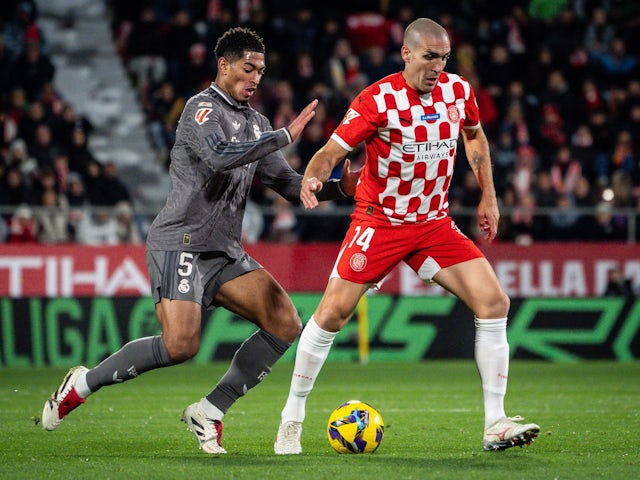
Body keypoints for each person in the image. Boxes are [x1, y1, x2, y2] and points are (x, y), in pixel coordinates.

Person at [41, 27, 359, 454]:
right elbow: (220, 155)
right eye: (248, 68)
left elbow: (288, 183)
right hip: (181, 241)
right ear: (223, 65)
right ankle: (81, 383)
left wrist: (342, 186)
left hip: (223, 250)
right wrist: (284, 136)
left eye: (261, 71)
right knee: (181, 345)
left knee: (285, 322)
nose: (256, 78)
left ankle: (210, 410)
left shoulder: (256, 122)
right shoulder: (200, 109)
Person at [274, 18, 540, 455]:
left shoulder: (458, 92)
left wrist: (489, 197)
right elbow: (330, 153)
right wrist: (313, 179)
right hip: (380, 222)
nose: (437, 67)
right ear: (407, 54)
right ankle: (292, 417)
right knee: (331, 315)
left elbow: (475, 137)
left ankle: (495, 422)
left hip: (434, 224)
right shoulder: (377, 100)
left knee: (495, 302)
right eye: (429, 57)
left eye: (444, 58)